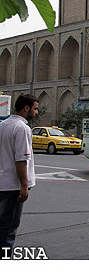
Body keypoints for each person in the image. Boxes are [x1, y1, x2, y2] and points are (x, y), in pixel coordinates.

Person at [0, 94, 38, 257]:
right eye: (35, 109)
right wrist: (24, 185)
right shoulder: (22, 128)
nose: (36, 113)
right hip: (13, 186)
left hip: (2, 183)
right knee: (8, 229)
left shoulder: (3, 125)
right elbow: (21, 159)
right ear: (26, 108)